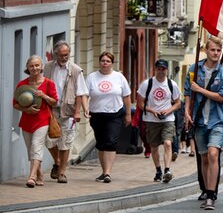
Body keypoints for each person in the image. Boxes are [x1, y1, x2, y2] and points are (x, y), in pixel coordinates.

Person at [184, 36, 223, 210]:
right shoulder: (194, 69)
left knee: (213, 154)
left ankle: (211, 195)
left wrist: (200, 89)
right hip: (199, 120)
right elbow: (188, 93)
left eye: (218, 50)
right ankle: (206, 189)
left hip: (218, 120)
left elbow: (222, 97)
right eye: (213, 50)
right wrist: (186, 112)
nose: (216, 53)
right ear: (206, 50)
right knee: (204, 157)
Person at [43, 40, 89, 184]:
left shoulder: (75, 70)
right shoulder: (48, 67)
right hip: (50, 110)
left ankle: (62, 172)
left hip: (68, 111)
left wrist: (77, 112)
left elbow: (81, 93)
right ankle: (57, 160)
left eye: (66, 54)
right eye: (61, 55)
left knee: (65, 142)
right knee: (48, 140)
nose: (64, 57)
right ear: (55, 54)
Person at [86, 52, 132, 183]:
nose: (105, 63)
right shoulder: (92, 77)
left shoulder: (119, 77)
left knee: (111, 142)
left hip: (115, 114)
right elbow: (84, 94)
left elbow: (126, 96)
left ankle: (108, 173)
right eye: (103, 61)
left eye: (108, 61)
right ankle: (103, 171)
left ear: (112, 63)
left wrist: (128, 114)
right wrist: (84, 108)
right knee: (101, 144)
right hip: (97, 114)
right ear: (99, 62)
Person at [13, 55, 58, 188]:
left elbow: (55, 102)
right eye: (31, 66)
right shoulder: (22, 84)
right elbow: (15, 104)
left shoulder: (49, 83)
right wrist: (26, 110)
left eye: (37, 65)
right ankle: (39, 174)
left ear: (41, 67)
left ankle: (31, 177)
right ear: (27, 68)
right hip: (26, 121)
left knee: (36, 145)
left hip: (43, 120)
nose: (35, 68)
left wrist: (43, 95)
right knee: (31, 149)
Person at [136, 59, 181, 183]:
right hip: (151, 120)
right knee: (154, 147)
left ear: (167, 70)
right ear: (155, 69)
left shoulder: (172, 85)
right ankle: (158, 170)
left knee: (167, 143)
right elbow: (140, 103)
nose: (161, 71)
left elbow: (177, 104)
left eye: (163, 69)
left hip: (168, 119)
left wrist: (168, 111)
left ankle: (167, 170)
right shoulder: (147, 84)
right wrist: (151, 111)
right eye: (159, 69)